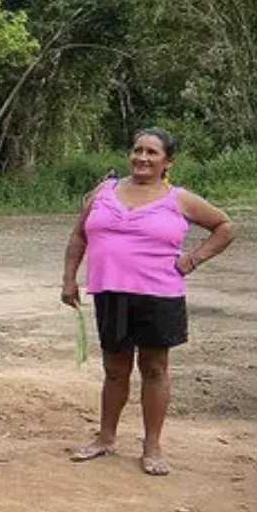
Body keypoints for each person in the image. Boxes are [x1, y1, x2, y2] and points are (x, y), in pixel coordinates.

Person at [62, 128, 235, 476]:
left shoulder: (180, 199)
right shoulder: (104, 191)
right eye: (138, 150)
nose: (142, 158)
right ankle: (106, 438)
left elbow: (224, 226)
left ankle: (152, 445)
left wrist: (193, 259)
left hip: (159, 295)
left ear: (168, 161)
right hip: (110, 292)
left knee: (154, 368)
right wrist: (69, 279)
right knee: (115, 369)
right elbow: (79, 235)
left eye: (152, 153)